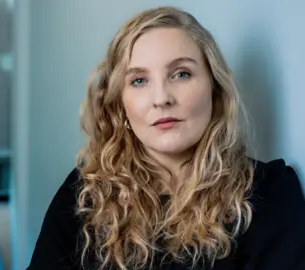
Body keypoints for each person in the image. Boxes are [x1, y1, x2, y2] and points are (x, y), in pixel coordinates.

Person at [27, 6, 305, 270]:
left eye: (181, 74)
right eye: (139, 80)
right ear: (119, 103)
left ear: (215, 89)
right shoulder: (83, 197)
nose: (161, 98)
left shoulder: (269, 193)